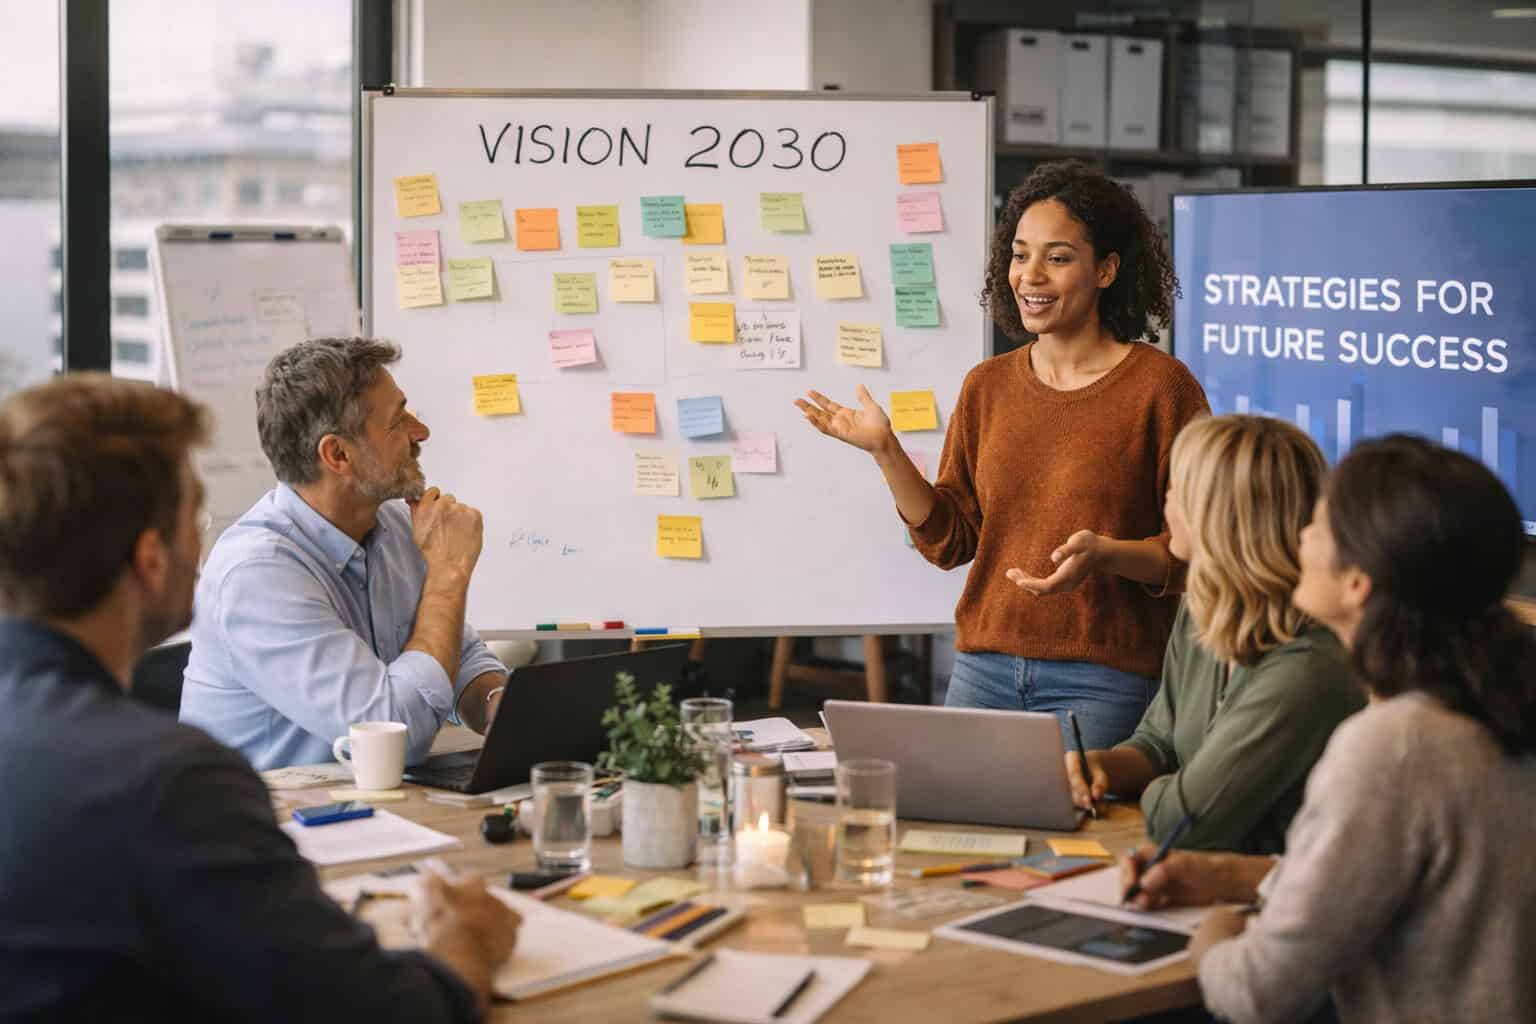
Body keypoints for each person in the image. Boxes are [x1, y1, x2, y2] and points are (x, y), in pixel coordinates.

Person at [0, 374, 520, 1020]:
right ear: (150, 561)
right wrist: (463, 942)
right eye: (197, 516)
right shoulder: (173, 785)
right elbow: (384, 1012)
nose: (206, 544)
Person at [1120, 435, 1536, 1023]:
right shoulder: (1489, 707)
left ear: (1357, 582)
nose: (1299, 540)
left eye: (1314, 525)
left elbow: (1258, 992)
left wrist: (1218, 932)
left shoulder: (1392, 746)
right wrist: (1233, 876)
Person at [797, 160, 1209, 748]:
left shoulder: (1163, 389)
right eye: (1020, 255)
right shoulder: (986, 386)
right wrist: (885, 452)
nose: (1030, 276)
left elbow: (1199, 553)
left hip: (1106, 679)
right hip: (982, 670)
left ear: (1108, 270)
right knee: (957, 830)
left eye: (1058, 257)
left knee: (1082, 836)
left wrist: (1106, 555)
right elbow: (950, 541)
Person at [181, 337, 508, 770]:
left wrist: (498, 704)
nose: (420, 432)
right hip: (265, 824)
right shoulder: (257, 575)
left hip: (368, 809)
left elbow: (456, 654)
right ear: (337, 454)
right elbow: (391, 736)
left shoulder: (391, 524)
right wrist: (448, 575)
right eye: (398, 422)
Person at [1064, 415, 1363, 853]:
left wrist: (1171, 788)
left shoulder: (1308, 664)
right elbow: (1159, 741)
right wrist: (1102, 764)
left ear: (1217, 516)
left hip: (1265, 895)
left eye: (1176, 489)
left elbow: (1184, 823)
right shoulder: (1203, 601)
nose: (1166, 503)